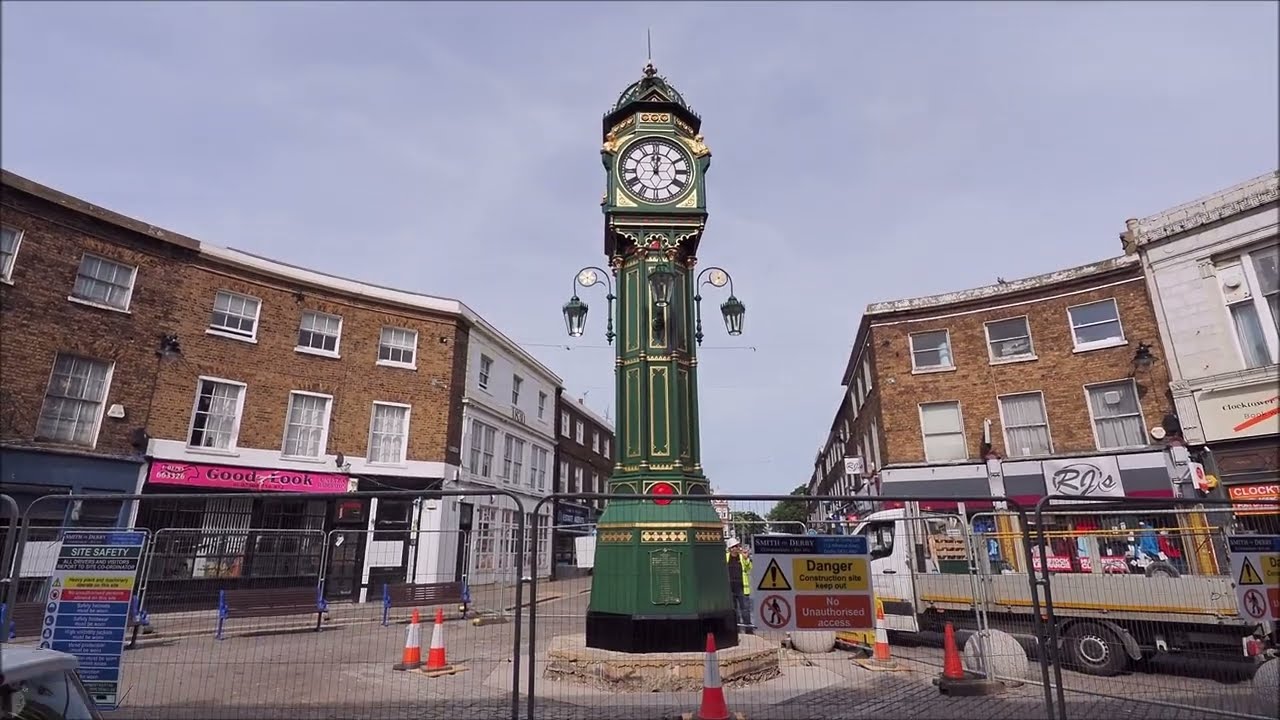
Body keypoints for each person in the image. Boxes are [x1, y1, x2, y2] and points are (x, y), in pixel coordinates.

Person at [726, 538, 754, 633]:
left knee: (745, 610)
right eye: (733, 547)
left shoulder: (742, 557)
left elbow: (749, 567)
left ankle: (749, 630)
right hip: (730, 588)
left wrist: (746, 559)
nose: (736, 548)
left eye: (737, 546)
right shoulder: (726, 557)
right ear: (729, 548)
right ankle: (736, 630)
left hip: (742, 588)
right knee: (734, 611)